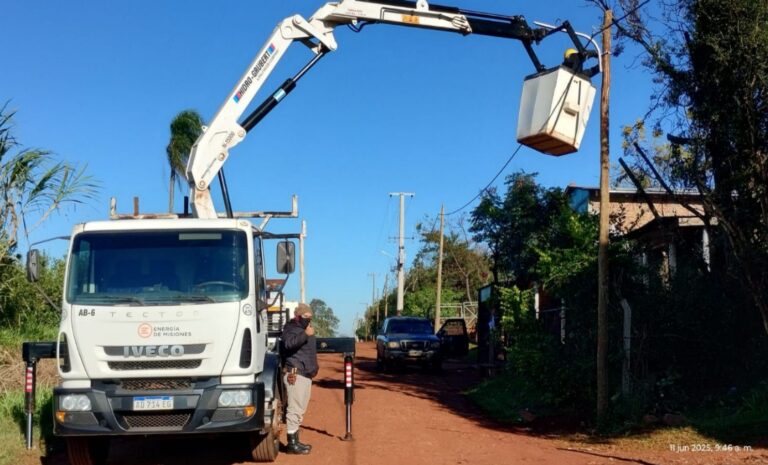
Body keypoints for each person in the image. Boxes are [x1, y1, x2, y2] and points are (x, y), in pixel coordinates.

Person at [281, 303, 318, 455]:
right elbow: (288, 344)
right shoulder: (291, 328)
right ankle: (292, 444)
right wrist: (306, 335)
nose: (308, 319)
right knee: (294, 409)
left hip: (306, 374)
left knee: (299, 409)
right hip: (295, 374)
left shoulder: (305, 329)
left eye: (310, 317)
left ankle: (295, 440)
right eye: (305, 316)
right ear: (298, 316)